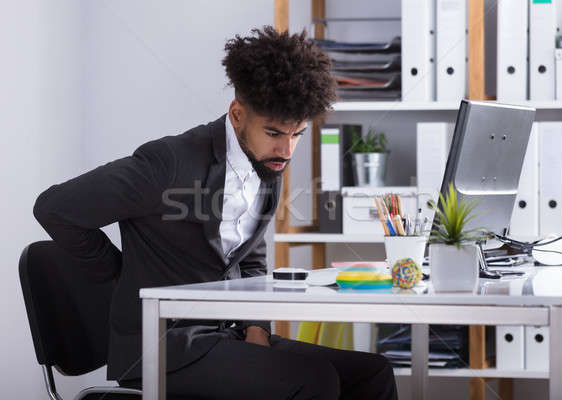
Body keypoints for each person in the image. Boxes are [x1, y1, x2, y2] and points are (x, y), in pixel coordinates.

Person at [34, 26, 398, 399]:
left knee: (372, 373)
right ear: (237, 115)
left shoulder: (268, 163)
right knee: (315, 381)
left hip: (229, 335)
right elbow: (56, 208)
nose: (287, 151)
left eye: (298, 134)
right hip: (163, 346)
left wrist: (256, 327)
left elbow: (251, 258)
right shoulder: (168, 164)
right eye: (275, 133)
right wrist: (118, 272)